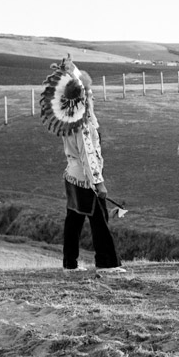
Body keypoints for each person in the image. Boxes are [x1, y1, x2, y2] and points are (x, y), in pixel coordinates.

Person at [39, 55, 125, 273]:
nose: (92, 96)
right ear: (83, 97)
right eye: (89, 93)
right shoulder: (84, 124)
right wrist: (99, 183)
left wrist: (72, 70)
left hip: (71, 176)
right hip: (87, 180)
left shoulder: (70, 119)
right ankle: (107, 263)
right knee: (100, 221)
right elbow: (89, 154)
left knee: (74, 220)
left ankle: (70, 263)